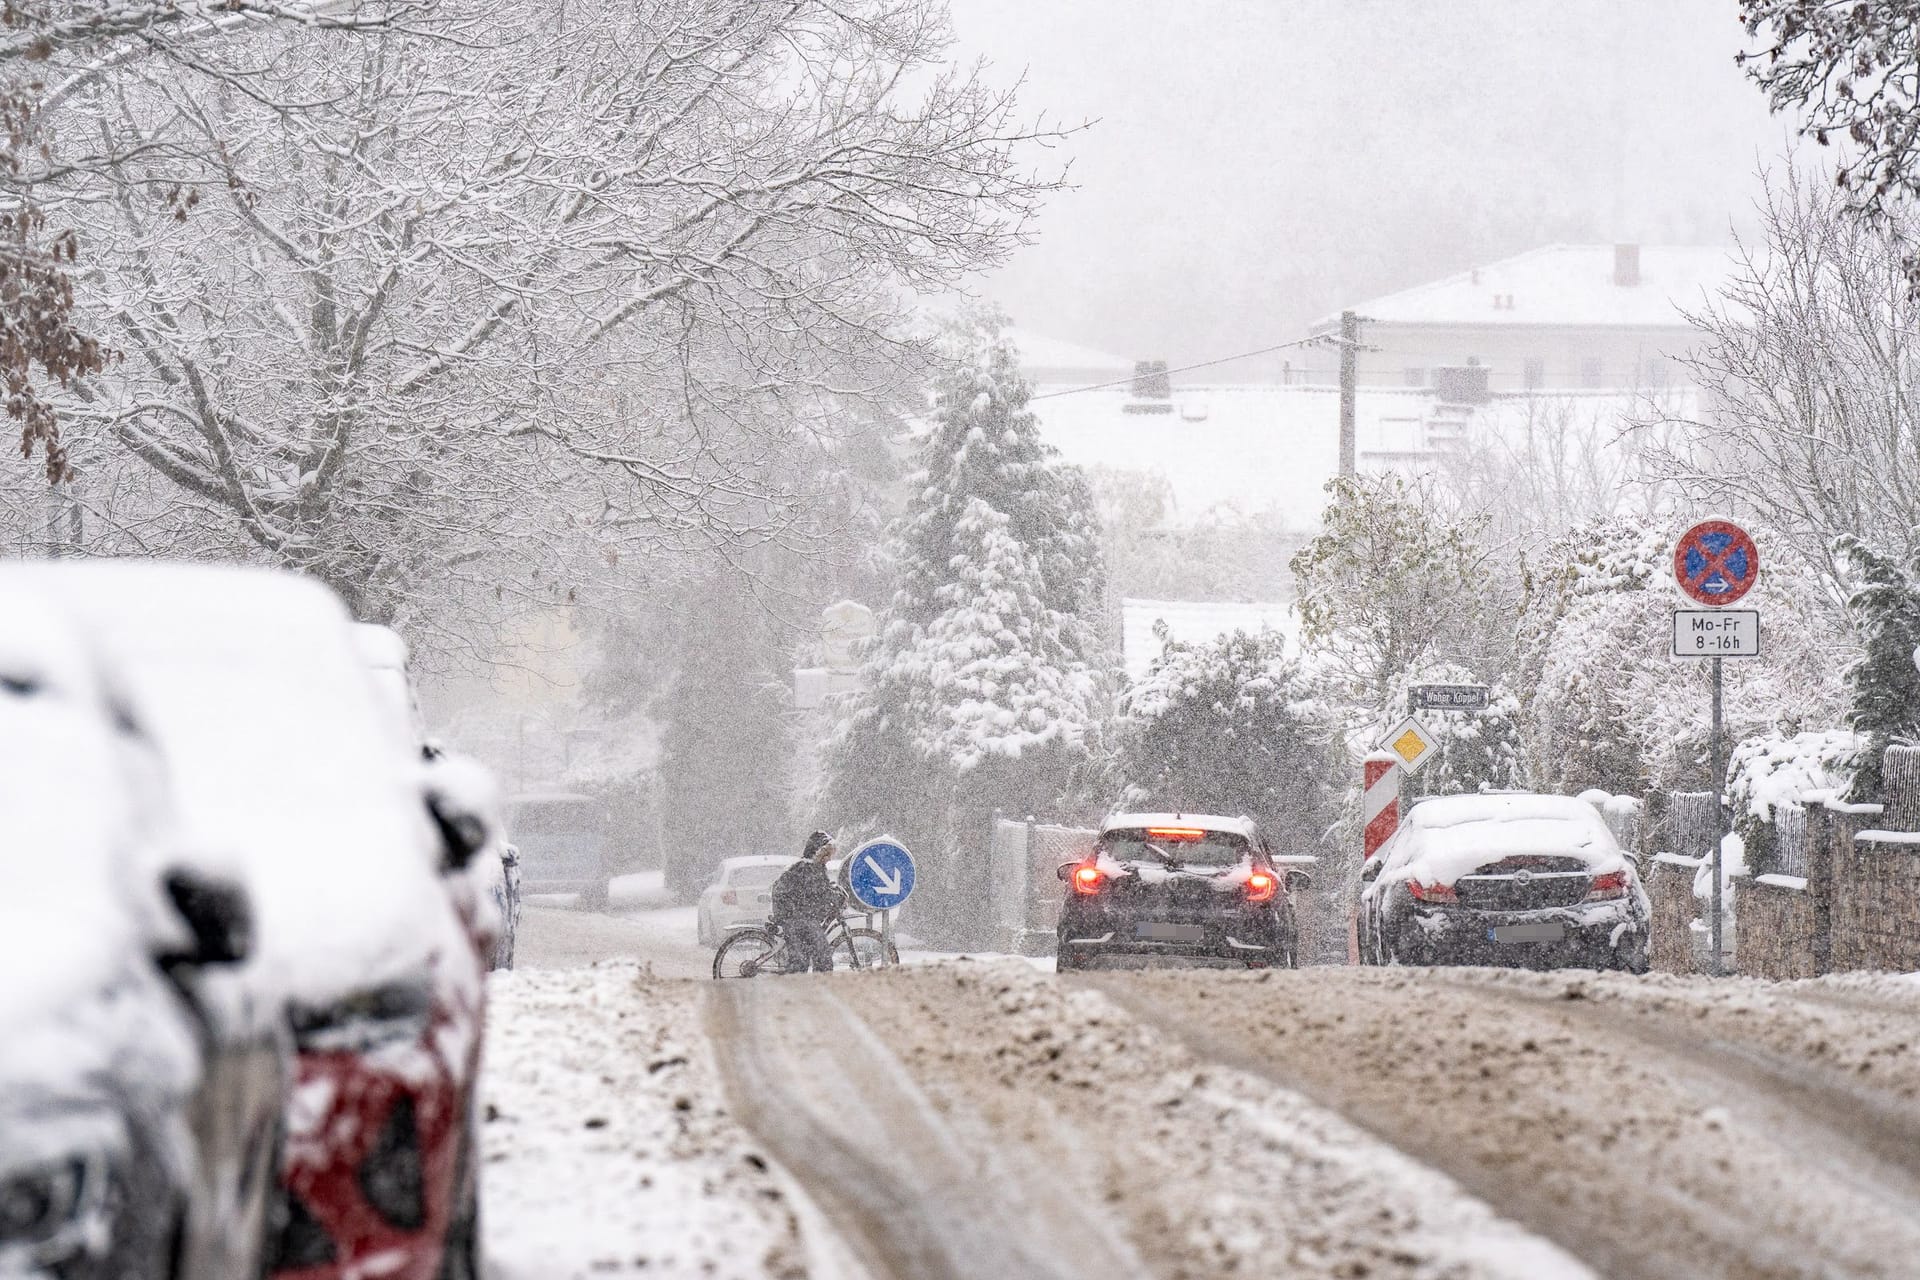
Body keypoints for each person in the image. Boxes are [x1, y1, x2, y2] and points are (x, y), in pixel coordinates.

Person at [769, 831, 841, 972]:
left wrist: (832, 891)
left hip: (799, 914)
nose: (828, 858)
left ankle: (811, 982)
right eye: (826, 854)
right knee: (819, 954)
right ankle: (817, 983)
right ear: (817, 852)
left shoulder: (814, 867)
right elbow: (817, 891)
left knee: (808, 954)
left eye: (829, 855)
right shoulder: (805, 867)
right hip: (795, 916)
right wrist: (833, 897)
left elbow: (819, 888)